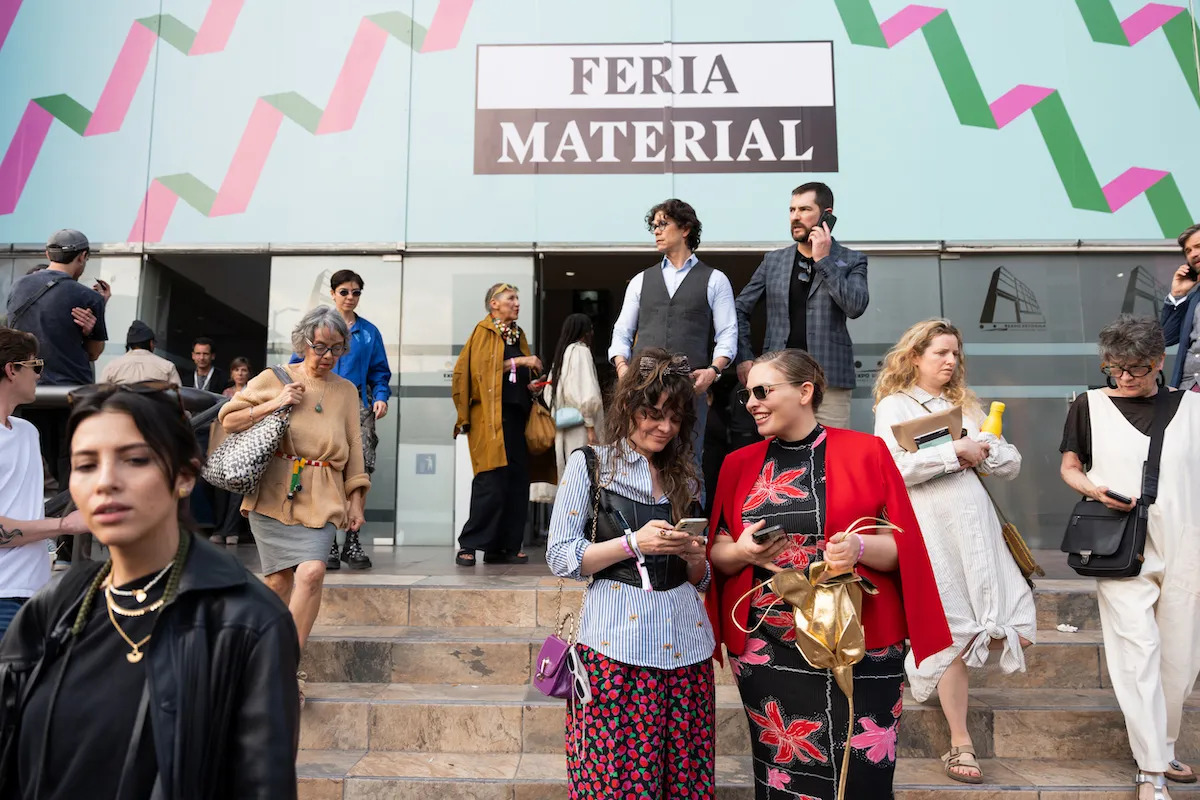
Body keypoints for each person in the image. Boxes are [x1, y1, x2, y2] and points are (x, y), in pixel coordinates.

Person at [0, 380, 300, 797]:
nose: (105, 482)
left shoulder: (248, 622)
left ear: (184, 476)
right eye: (86, 465)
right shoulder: (51, 611)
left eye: (134, 460)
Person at [706, 349, 950, 800]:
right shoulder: (737, 463)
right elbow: (716, 554)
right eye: (747, 395)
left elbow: (904, 550)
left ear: (805, 392)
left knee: (862, 773)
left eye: (763, 391)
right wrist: (741, 550)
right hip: (768, 645)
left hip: (860, 638)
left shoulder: (866, 451)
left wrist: (857, 547)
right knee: (781, 769)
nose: (752, 403)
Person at [547, 348, 715, 799]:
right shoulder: (590, 465)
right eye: (653, 414)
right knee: (615, 781)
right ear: (628, 408)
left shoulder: (687, 476)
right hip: (615, 646)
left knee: (686, 781)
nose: (665, 427)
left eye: (675, 418)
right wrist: (632, 543)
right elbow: (561, 556)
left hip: (686, 645)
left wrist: (696, 556)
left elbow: (701, 580)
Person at [872, 319, 1035, 783]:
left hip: (977, 525)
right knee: (949, 628)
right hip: (930, 527)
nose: (950, 361)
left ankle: (925, 672)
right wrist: (956, 452)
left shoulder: (967, 404)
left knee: (1013, 621)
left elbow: (1010, 463)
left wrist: (984, 447)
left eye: (955, 353)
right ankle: (961, 742)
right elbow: (895, 469)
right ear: (915, 357)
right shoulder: (894, 405)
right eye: (941, 352)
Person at [1060, 315, 1200, 799]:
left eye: (1136, 368)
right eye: (1115, 367)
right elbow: (1069, 466)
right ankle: (1152, 771)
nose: (1124, 377)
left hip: (1186, 543)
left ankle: (1163, 745)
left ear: (1160, 362)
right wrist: (1093, 490)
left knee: (1180, 660)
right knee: (1137, 652)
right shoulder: (1089, 405)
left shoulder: (1191, 408)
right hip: (1121, 545)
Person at [218, 306, 369, 701]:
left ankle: (285, 667)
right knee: (277, 582)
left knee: (312, 572)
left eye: (337, 348)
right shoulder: (275, 378)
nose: (328, 355)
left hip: (323, 492)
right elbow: (228, 418)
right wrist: (276, 402)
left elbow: (355, 448)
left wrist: (356, 500)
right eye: (320, 346)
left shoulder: (347, 391)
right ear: (303, 342)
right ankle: (258, 658)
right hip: (274, 491)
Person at [608, 199, 737, 469]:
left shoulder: (715, 279)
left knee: (689, 463)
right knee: (637, 461)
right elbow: (621, 333)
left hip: (690, 390)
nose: (656, 231)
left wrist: (713, 372)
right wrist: (623, 371)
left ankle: (688, 513)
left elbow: (727, 335)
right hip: (643, 390)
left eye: (663, 224)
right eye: (654, 226)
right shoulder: (640, 280)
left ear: (685, 228)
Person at [734, 184, 868, 429]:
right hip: (777, 378)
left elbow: (855, 306)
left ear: (826, 214)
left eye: (804, 209)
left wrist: (823, 260)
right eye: (792, 209)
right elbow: (739, 309)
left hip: (830, 378)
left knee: (833, 453)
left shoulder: (851, 259)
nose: (795, 216)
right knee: (778, 450)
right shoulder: (774, 261)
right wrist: (744, 358)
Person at [290, 269, 390, 570]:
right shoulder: (318, 327)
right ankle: (329, 542)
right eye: (344, 291)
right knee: (326, 470)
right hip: (319, 407)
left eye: (356, 292)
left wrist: (381, 395)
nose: (350, 297)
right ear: (333, 293)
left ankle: (354, 540)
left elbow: (379, 372)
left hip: (357, 407)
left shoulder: (369, 332)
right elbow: (298, 363)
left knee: (360, 471)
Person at [6, 230, 110, 497]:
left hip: (26, 391)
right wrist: (94, 322)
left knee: (29, 462)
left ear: (47, 254)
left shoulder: (18, 287)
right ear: (83, 256)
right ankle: (66, 534)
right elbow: (94, 353)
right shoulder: (88, 297)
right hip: (71, 394)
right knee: (70, 467)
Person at [0, 328, 88, 640]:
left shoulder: (27, 431)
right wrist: (64, 524)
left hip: (33, 593)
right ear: (12, 369)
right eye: (35, 365)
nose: (40, 375)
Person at [452, 282, 540, 567]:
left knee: (516, 481)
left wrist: (533, 384)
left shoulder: (517, 334)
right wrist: (523, 360)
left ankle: (505, 547)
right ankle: (470, 544)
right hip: (489, 419)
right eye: (511, 298)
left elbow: (518, 377)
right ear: (494, 304)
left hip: (516, 418)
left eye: (517, 298)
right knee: (491, 480)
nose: (517, 303)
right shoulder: (484, 331)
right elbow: (479, 371)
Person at [546, 313, 605, 479]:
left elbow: (548, 393)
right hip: (581, 428)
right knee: (584, 476)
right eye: (590, 329)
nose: (592, 333)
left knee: (567, 477)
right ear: (584, 332)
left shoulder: (563, 353)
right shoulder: (581, 351)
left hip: (564, 425)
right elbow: (587, 393)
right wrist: (591, 427)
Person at [208, 357, 253, 546]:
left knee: (237, 494)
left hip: (244, 448)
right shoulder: (224, 394)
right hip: (224, 448)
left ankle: (231, 530)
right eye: (237, 370)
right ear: (231, 373)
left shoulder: (253, 392)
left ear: (248, 373)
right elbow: (216, 423)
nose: (240, 374)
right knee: (220, 492)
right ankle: (219, 529)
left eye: (243, 370)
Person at [1161, 222, 1200, 390]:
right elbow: (1166, 338)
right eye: (1188, 251)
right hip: (1189, 389)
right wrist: (1177, 295)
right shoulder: (1194, 298)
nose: (1193, 254)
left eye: (1198, 246)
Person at [99, 320, 183, 386]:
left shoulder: (112, 366)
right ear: (151, 343)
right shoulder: (167, 367)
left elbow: (100, 395)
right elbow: (178, 398)